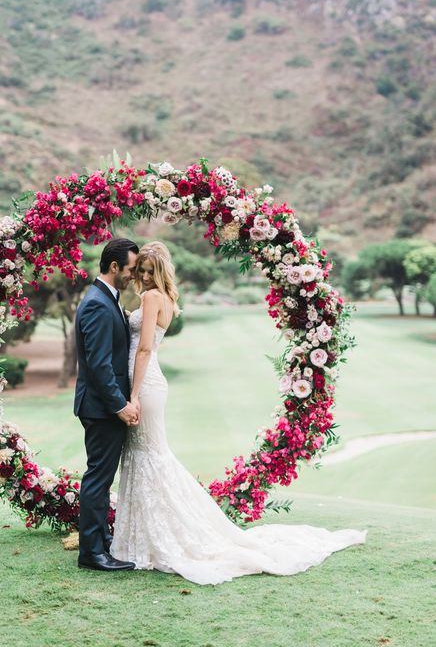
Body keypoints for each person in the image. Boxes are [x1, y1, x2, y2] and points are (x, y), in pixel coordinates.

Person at [110, 241, 367, 585]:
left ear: (160, 273)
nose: (142, 276)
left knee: (151, 457)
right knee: (147, 455)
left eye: (148, 271)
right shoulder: (168, 300)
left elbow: (142, 349)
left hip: (144, 383)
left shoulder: (152, 298)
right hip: (150, 381)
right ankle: (143, 535)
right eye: (139, 270)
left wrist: (133, 394)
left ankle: (158, 536)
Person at [74, 237, 140, 572]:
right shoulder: (99, 304)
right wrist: (120, 406)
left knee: (100, 477)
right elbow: (99, 365)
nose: (133, 275)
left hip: (101, 406)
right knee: (98, 479)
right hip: (101, 408)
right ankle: (92, 553)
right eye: (130, 269)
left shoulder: (107, 300)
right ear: (114, 267)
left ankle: (98, 544)